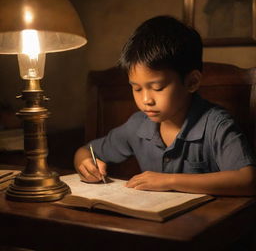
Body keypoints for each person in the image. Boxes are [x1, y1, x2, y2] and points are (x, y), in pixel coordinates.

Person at [74, 15, 256, 196]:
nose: (146, 100)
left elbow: (248, 180)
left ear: (192, 82)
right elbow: (85, 151)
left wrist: (169, 180)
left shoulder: (216, 124)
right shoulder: (138, 125)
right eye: (136, 89)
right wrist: (86, 165)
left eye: (157, 87)